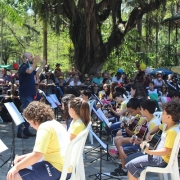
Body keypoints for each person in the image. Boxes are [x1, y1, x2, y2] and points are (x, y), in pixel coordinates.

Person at [7, 101, 71, 180]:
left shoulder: (44, 128)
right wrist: (25, 157)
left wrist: (16, 167)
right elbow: (44, 151)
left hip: (57, 168)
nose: (30, 125)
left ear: (36, 119)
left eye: (30, 122)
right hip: (63, 166)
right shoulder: (54, 123)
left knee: (13, 176)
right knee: (22, 167)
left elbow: (37, 155)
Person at [126, 101, 180, 180]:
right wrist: (149, 133)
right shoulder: (167, 125)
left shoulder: (172, 132)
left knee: (132, 165)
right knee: (132, 162)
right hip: (158, 157)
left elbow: (165, 151)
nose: (161, 115)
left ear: (169, 117)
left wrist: (149, 152)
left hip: (161, 159)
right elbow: (158, 127)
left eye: (164, 113)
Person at [17, 52, 46, 139]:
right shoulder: (23, 66)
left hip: (30, 93)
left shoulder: (29, 67)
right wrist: (36, 61)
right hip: (25, 93)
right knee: (24, 113)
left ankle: (26, 130)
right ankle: (20, 131)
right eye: (30, 56)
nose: (32, 57)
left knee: (28, 113)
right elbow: (29, 71)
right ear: (25, 58)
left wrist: (42, 65)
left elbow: (36, 73)